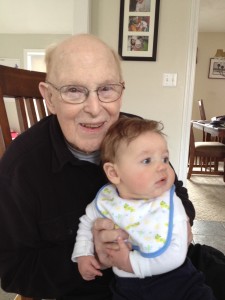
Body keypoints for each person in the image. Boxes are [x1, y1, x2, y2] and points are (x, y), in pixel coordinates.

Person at [0, 33, 222, 300]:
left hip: (171, 271)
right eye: (73, 90)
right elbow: (13, 271)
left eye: (106, 88)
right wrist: (92, 253)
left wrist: (181, 219)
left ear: (121, 91)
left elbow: (178, 193)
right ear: (49, 98)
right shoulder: (20, 169)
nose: (94, 109)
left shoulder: (137, 139)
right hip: (87, 289)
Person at [72, 117, 216, 300]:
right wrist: (83, 254)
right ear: (114, 173)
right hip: (126, 287)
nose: (162, 167)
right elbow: (86, 224)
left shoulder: (169, 203)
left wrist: (131, 263)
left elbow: (176, 253)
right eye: (147, 160)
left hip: (177, 282)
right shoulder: (107, 200)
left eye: (165, 158)